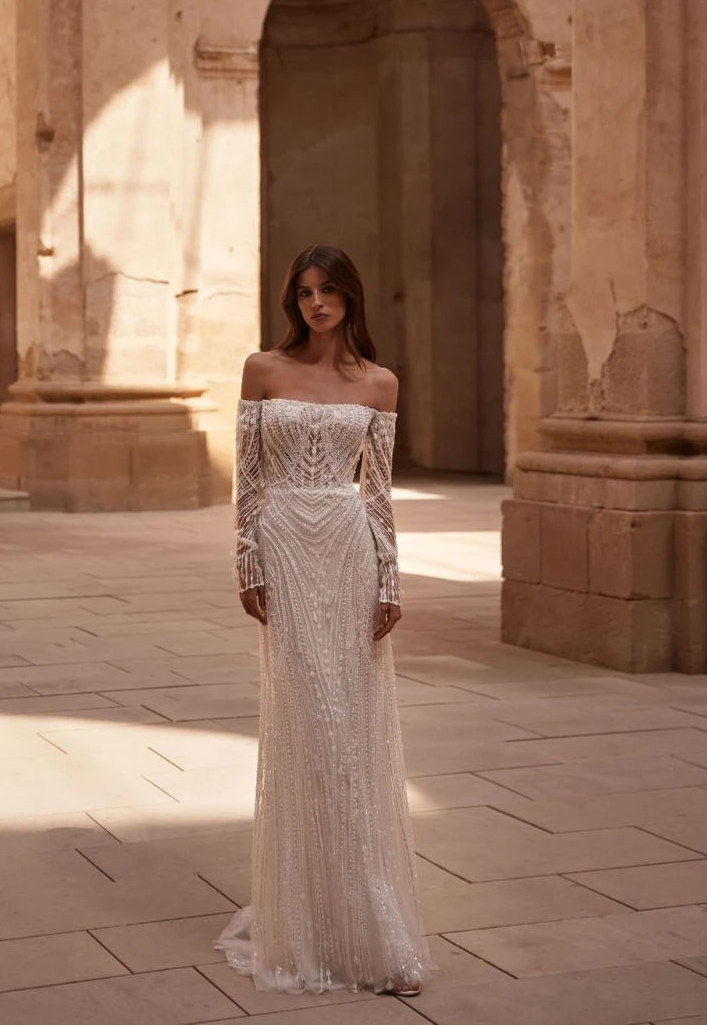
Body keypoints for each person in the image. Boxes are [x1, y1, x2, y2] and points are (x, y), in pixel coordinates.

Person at [213, 244, 432, 997]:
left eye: (330, 289)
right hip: (284, 544)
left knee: (352, 728)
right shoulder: (262, 370)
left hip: (347, 552)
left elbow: (377, 492)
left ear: (350, 297)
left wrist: (391, 578)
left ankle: (366, 920)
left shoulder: (379, 383)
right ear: (292, 301)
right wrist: (246, 559)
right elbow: (247, 477)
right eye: (304, 292)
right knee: (313, 722)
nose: (317, 303)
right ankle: (316, 919)